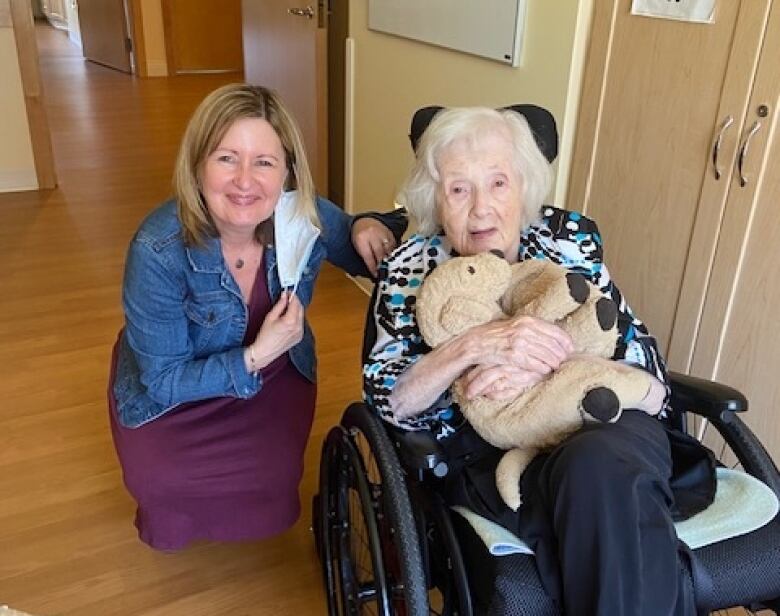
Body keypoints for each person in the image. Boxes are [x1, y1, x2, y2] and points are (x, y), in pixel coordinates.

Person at [364, 106, 705, 615]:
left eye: (498, 183)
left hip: (609, 427)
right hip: (492, 456)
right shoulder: (409, 269)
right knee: (610, 497)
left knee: (600, 466)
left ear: (524, 187)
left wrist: (546, 363)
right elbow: (389, 401)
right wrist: (475, 346)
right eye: (459, 189)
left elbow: (646, 368)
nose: (481, 209)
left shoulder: (569, 247)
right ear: (435, 198)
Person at [108, 83, 406, 551]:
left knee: (274, 473)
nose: (245, 181)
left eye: (264, 162)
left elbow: (360, 242)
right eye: (227, 158)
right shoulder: (157, 249)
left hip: (273, 383)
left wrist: (371, 224)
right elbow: (162, 381)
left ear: (287, 171)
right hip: (176, 396)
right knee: (163, 481)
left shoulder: (300, 215)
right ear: (197, 164)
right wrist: (256, 355)